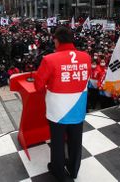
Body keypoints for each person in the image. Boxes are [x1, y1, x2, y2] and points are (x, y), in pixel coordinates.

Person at [33, 27, 91, 182]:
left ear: (56, 40)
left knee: (58, 143)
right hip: (78, 107)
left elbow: (38, 85)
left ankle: (58, 171)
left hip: (58, 110)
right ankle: (73, 170)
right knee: (75, 141)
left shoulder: (49, 59)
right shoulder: (86, 57)